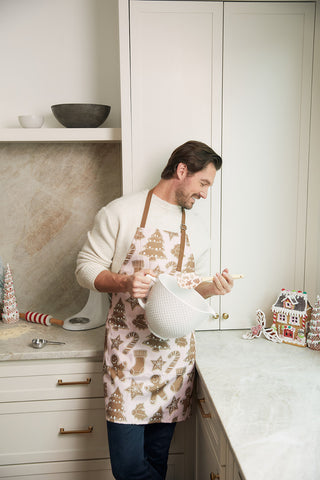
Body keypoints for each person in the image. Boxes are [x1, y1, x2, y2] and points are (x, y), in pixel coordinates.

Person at [75, 140, 234, 480]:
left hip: (173, 363)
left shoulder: (198, 230)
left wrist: (212, 287)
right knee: (129, 468)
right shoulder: (121, 212)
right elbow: (85, 268)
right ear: (181, 171)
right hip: (127, 362)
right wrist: (123, 282)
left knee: (157, 459)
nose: (205, 194)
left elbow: (190, 290)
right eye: (203, 183)